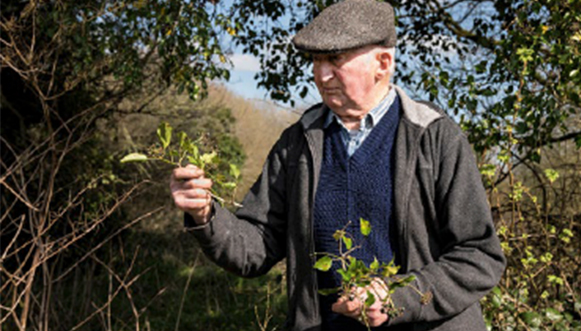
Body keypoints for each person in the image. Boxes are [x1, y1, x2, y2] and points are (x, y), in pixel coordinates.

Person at [170, 0, 506, 330]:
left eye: (335, 59)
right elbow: (257, 245)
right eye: (316, 61)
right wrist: (206, 215)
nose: (321, 74)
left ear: (383, 63)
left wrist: (394, 299)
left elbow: (479, 256)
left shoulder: (434, 137)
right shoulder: (297, 143)